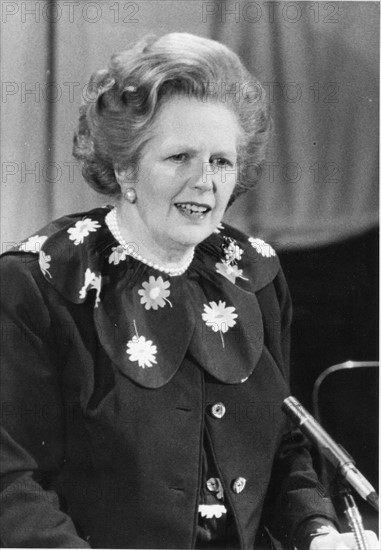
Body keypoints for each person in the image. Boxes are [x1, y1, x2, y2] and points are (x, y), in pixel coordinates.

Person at [0, 33, 377, 550]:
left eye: (222, 161)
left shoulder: (254, 273)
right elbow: (11, 484)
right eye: (180, 157)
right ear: (124, 166)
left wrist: (316, 533)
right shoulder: (41, 281)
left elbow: (285, 448)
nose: (206, 181)